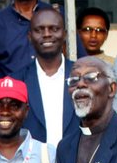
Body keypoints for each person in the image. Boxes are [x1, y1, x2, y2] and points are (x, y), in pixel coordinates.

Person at [15, 9, 75, 146]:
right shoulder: (17, 81)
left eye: (54, 29)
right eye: (39, 30)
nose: (47, 34)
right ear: (29, 36)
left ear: (65, 34)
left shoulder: (81, 77)